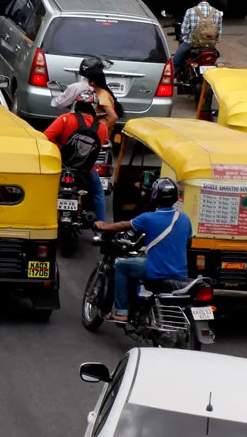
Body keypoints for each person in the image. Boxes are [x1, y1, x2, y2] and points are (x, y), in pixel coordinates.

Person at [95, 177, 191, 322]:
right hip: (180, 272)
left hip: (156, 270)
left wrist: (103, 226)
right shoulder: (185, 219)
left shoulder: (149, 218)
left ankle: (121, 312)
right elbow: (187, 243)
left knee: (121, 265)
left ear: (155, 196)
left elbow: (122, 225)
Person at [43, 90, 110, 223]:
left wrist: (60, 149)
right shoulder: (102, 127)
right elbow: (101, 144)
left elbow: (46, 136)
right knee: (97, 193)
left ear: (76, 105)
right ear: (94, 107)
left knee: (43, 190)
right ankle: (101, 229)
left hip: (62, 165)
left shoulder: (65, 119)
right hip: (86, 170)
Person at [171, 0, 223, 75]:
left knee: (174, 63)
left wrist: (184, 37)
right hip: (210, 47)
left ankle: (173, 79)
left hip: (191, 44)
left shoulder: (190, 11)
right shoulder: (217, 12)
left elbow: (184, 30)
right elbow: (219, 32)